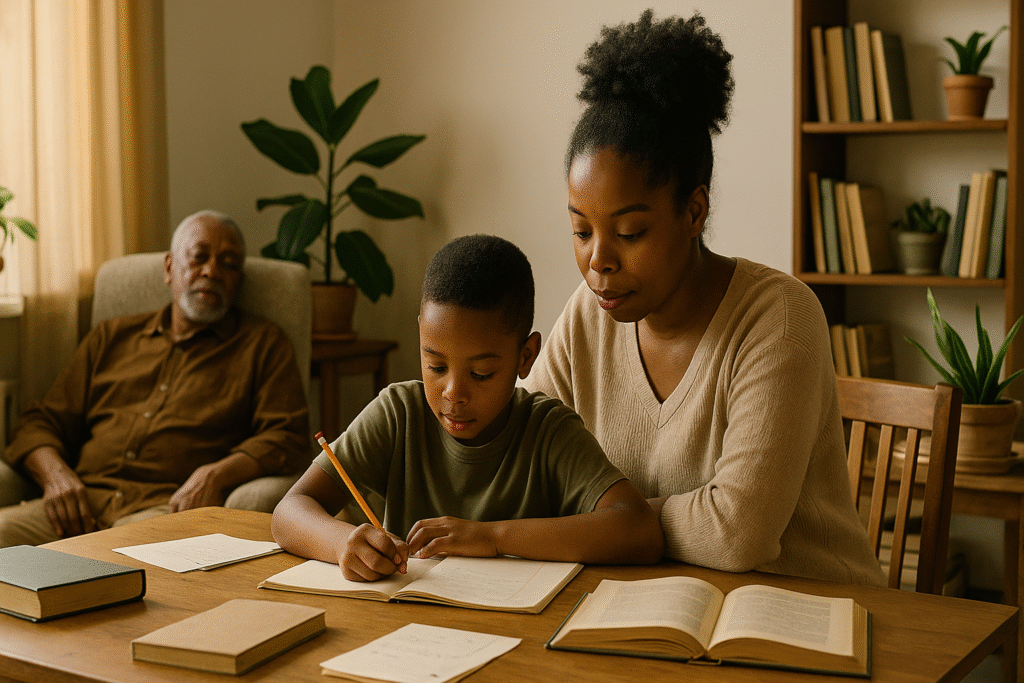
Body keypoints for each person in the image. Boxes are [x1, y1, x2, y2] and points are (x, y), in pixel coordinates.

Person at [524, 10, 884, 586]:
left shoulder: (778, 318)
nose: (599, 260)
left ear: (694, 212)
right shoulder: (590, 314)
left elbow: (738, 531)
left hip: (807, 610)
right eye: (581, 230)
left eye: (630, 232)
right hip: (658, 601)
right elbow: (516, 462)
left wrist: (612, 524)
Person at [272, 234, 664, 581]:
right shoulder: (399, 415)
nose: (453, 393)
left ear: (525, 357)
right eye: (436, 366)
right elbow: (290, 511)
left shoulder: (548, 432)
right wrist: (342, 543)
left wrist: (491, 537)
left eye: (481, 374)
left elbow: (639, 530)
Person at [0, 210, 311, 547]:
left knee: (118, 564)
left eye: (229, 264)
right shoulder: (110, 337)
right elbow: (39, 422)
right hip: (76, 506)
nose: (212, 271)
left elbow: (286, 436)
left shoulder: (262, 344)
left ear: (239, 280)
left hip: (163, 509)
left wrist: (217, 474)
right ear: (169, 268)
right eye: (199, 257)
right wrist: (56, 476)